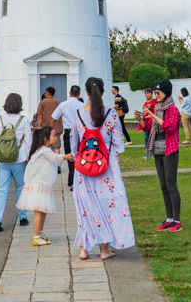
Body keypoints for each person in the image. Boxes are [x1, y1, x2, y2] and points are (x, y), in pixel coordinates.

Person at [73, 77, 135, 260]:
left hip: (84, 168)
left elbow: (74, 143)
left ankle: (84, 248)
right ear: (103, 92)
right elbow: (118, 143)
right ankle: (104, 249)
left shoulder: (78, 114)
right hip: (106, 167)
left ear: (86, 93)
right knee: (107, 206)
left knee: (86, 207)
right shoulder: (111, 114)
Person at [17, 126, 73, 245]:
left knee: (43, 211)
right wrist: (66, 156)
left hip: (42, 185)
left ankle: (40, 233)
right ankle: (36, 237)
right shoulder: (44, 151)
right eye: (53, 136)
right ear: (46, 139)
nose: (56, 138)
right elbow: (54, 157)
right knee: (39, 211)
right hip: (38, 186)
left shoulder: (43, 150)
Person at [0, 93, 32, 232]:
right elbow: (28, 141)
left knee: (2, 190)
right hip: (19, 159)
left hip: (2, 159)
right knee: (20, 188)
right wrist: (27, 156)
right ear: (19, 104)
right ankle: (23, 217)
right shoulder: (23, 120)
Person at [145, 79, 183, 232]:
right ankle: (169, 218)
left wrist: (153, 116)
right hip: (158, 149)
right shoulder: (158, 108)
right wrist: (141, 120)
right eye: (155, 92)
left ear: (166, 92)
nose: (156, 95)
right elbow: (148, 128)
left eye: (158, 92)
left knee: (171, 185)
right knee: (163, 186)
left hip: (170, 149)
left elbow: (170, 127)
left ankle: (177, 220)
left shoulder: (172, 109)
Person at [51, 85, 84, 188]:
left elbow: (54, 118)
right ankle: (79, 180)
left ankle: (72, 179)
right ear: (79, 94)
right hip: (80, 132)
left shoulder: (63, 104)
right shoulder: (83, 105)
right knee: (81, 155)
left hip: (69, 132)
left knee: (70, 156)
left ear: (70, 93)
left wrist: (51, 129)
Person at [134, 88, 156, 156]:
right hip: (146, 123)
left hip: (153, 122)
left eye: (148, 93)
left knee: (153, 138)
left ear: (151, 94)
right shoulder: (145, 103)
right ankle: (147, 153)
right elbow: (144, 114)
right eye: (146, 93)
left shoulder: (155, 102)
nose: (147, 95)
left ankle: (154, 152)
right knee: (146, 138)